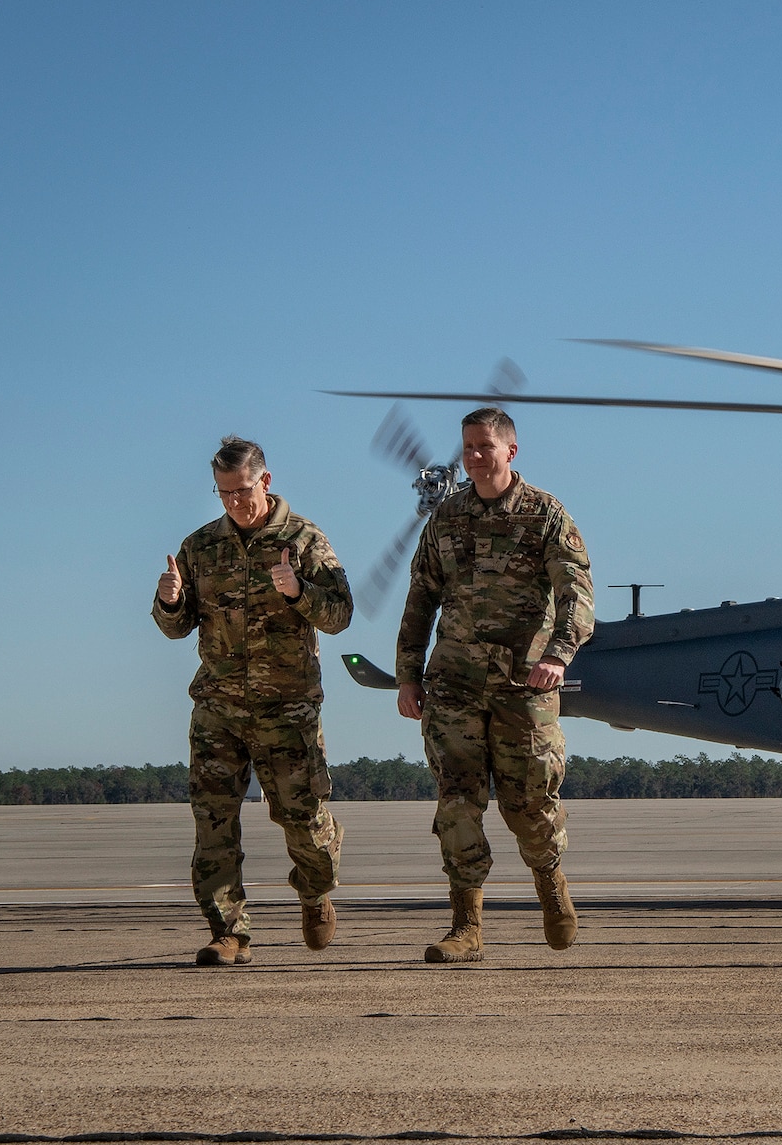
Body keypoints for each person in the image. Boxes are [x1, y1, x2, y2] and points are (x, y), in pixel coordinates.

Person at [396, 407, 594, 963]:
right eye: (468, 448)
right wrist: (408, 675)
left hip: (522, 684)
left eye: (485, 446)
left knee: (528, 804)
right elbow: (419, 601)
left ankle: (551, 885)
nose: (475, 457)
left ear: (511, 450)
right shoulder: (445, 519)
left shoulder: (545, 514)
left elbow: (576, 592)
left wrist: (559, 654)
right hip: (453, 683)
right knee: (457, 802)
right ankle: (466, 927)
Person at [153, 436, 350, 966]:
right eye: (223, 494)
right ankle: (229, 931)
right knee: (212, 820)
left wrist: (297, 592)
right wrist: (169, 602)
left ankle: (315, 889)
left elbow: (339, 615)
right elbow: (178, 626)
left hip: (287, 709)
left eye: (242, 490)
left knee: (302, 818)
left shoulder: (304, 539)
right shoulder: (200, 548)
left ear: (264, 481)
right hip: (218, 706)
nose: (235, 502)